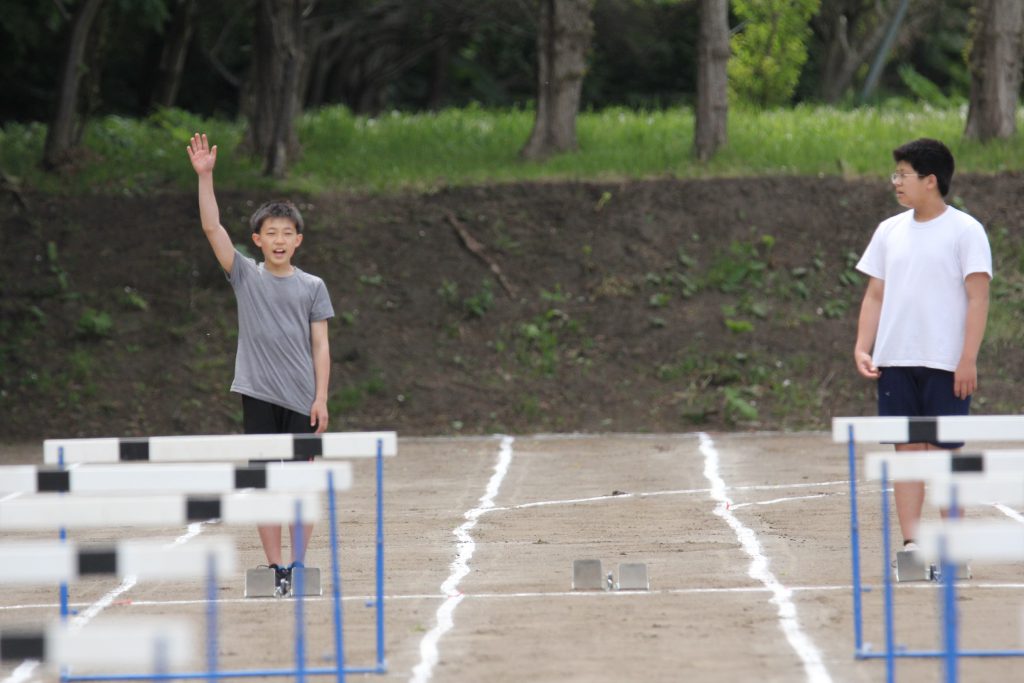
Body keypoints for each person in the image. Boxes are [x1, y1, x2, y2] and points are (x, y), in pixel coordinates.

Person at [187, 132, 334, 594]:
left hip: (301, 400)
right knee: (267, 487)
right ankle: (276, 570)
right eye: (270, 233)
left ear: (298, 241)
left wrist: (321, 398)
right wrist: (205, 177)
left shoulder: (312, 286)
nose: (278, 239)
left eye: (286, 233)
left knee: (302, 488)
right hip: (258, 394)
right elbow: (213, 229)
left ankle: (299, 564)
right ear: (257, 239)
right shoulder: (245, 276)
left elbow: (321, 346)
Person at [853, 137, 992, 560]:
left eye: (903, 174)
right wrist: (863, 346)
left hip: (945, 362)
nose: (896, 182)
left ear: (930, 181)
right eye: (895, 174)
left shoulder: (966, 230)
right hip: (895, 360)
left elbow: (978, 297)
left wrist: (967, 358)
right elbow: (875, 294)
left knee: (945, 452)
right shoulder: (888, 230)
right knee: (907, 453)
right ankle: (912, 543)